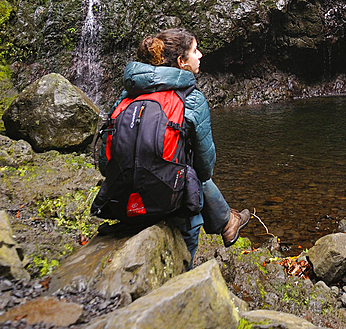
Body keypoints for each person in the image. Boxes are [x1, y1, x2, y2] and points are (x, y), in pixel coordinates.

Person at [99, 27, 249, 264]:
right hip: (172, 205)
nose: (200, 55)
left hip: (122, 202)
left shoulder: (126, 96)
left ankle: (226, 221)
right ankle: (224, 224)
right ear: (181, 61)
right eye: (195, 50)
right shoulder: (192, 98)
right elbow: (205, 167)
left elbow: (104, 162)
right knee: (192, 175)